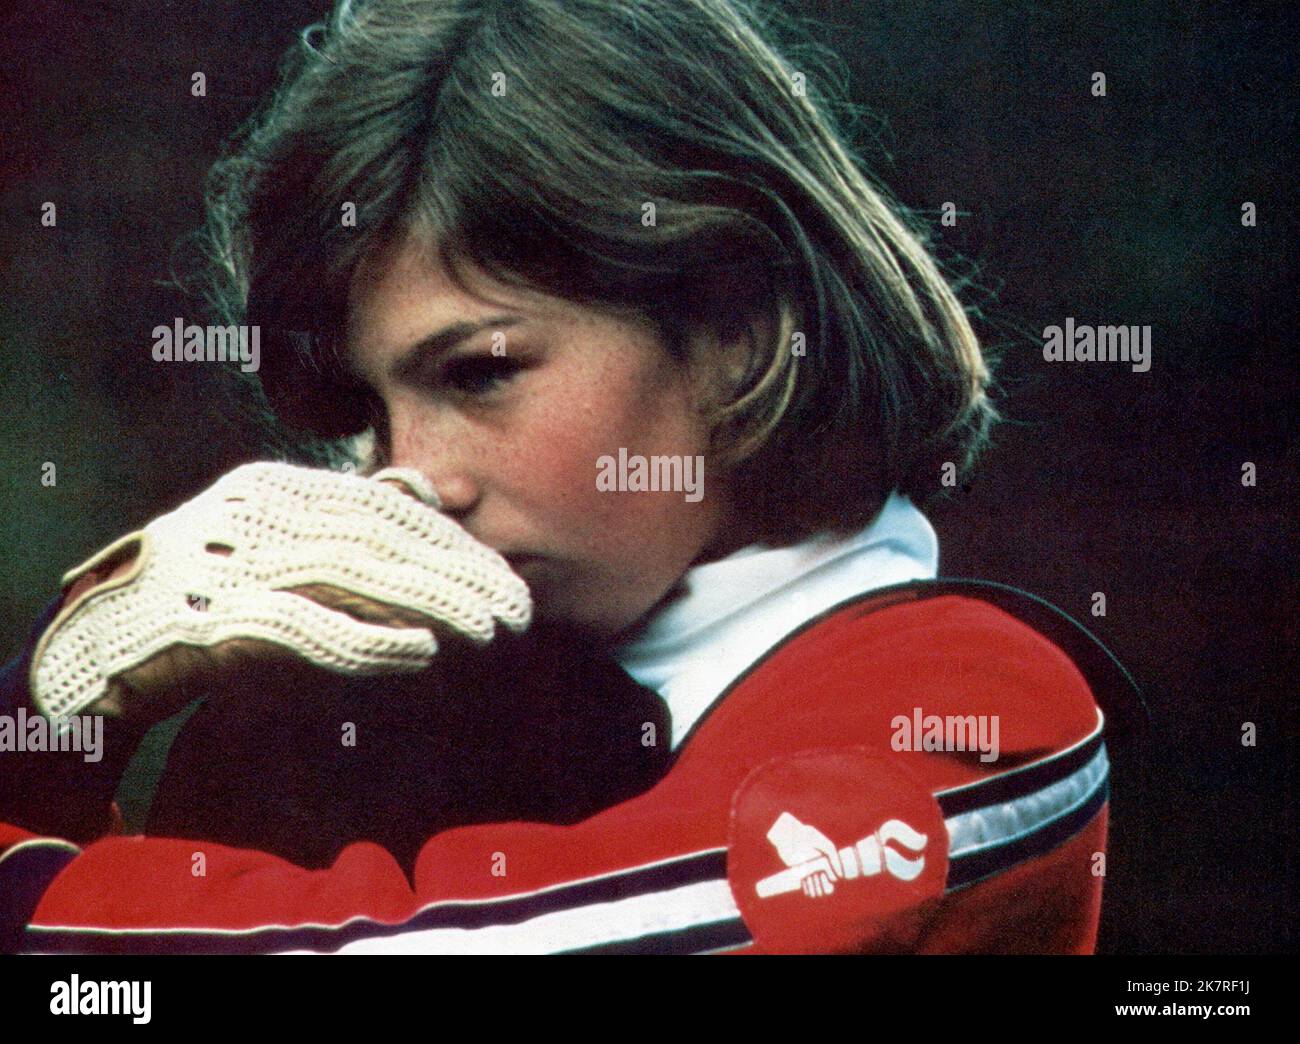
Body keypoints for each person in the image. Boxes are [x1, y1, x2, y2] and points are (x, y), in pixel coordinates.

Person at [0, 0, 1108, 954]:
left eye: (479, 372)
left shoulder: (970, 699)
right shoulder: (354, 718)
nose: (409, 479)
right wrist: (53, 708)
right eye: (370, 411)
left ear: (737, 327)